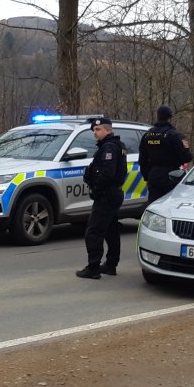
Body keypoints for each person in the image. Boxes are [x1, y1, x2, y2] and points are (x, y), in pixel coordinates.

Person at [77, 117, 127, 279]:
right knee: (111, 230)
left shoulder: (109, 148)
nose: (95, 133)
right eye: (94, 130)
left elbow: (107, 173)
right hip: (113, 194)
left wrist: (96, 187)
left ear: (108, 130)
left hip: (107, 195)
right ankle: (111, 265)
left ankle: (93, 267)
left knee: (93, 232)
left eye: (98, 130)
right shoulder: (113, 146)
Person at [138, 105, 193, 204]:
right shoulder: (175, 135)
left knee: (154, 206)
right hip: (172, 176)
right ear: (170, 118)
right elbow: (187, 157)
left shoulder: (147, 136)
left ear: (157, 116)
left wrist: (147, 176)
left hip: (153, 176)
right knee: (170, 206)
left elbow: (142, 160)